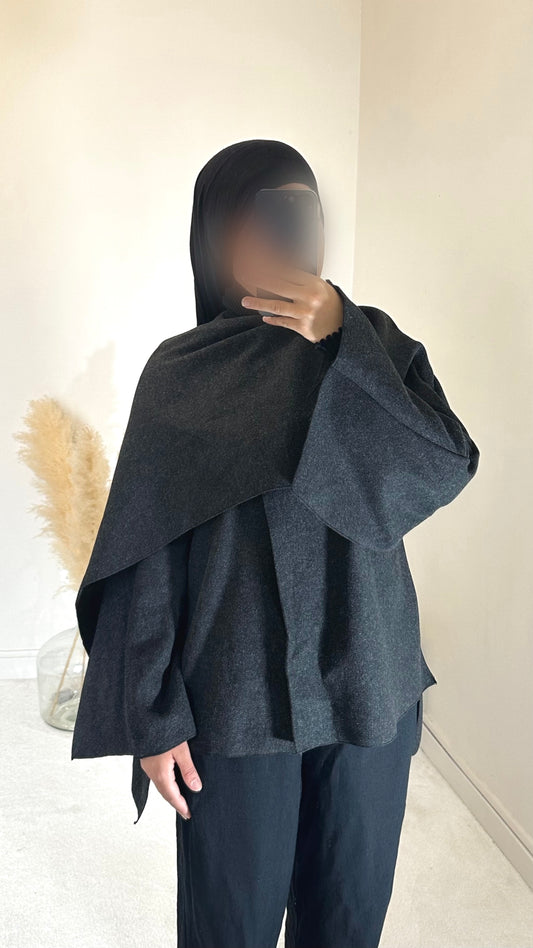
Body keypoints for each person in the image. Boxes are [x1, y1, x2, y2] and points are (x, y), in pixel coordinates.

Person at [71, 139, 480, 948]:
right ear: (214, 235)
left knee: (348, 917)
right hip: (234, 700)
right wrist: (153, 716)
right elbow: (146, 557)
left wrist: (342, 339)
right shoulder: (180, 373)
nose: (290, 234)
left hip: (368, 683)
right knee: (231, 924)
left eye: (304, 212)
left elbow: (440, 464)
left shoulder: (373, 344)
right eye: (264, 215)